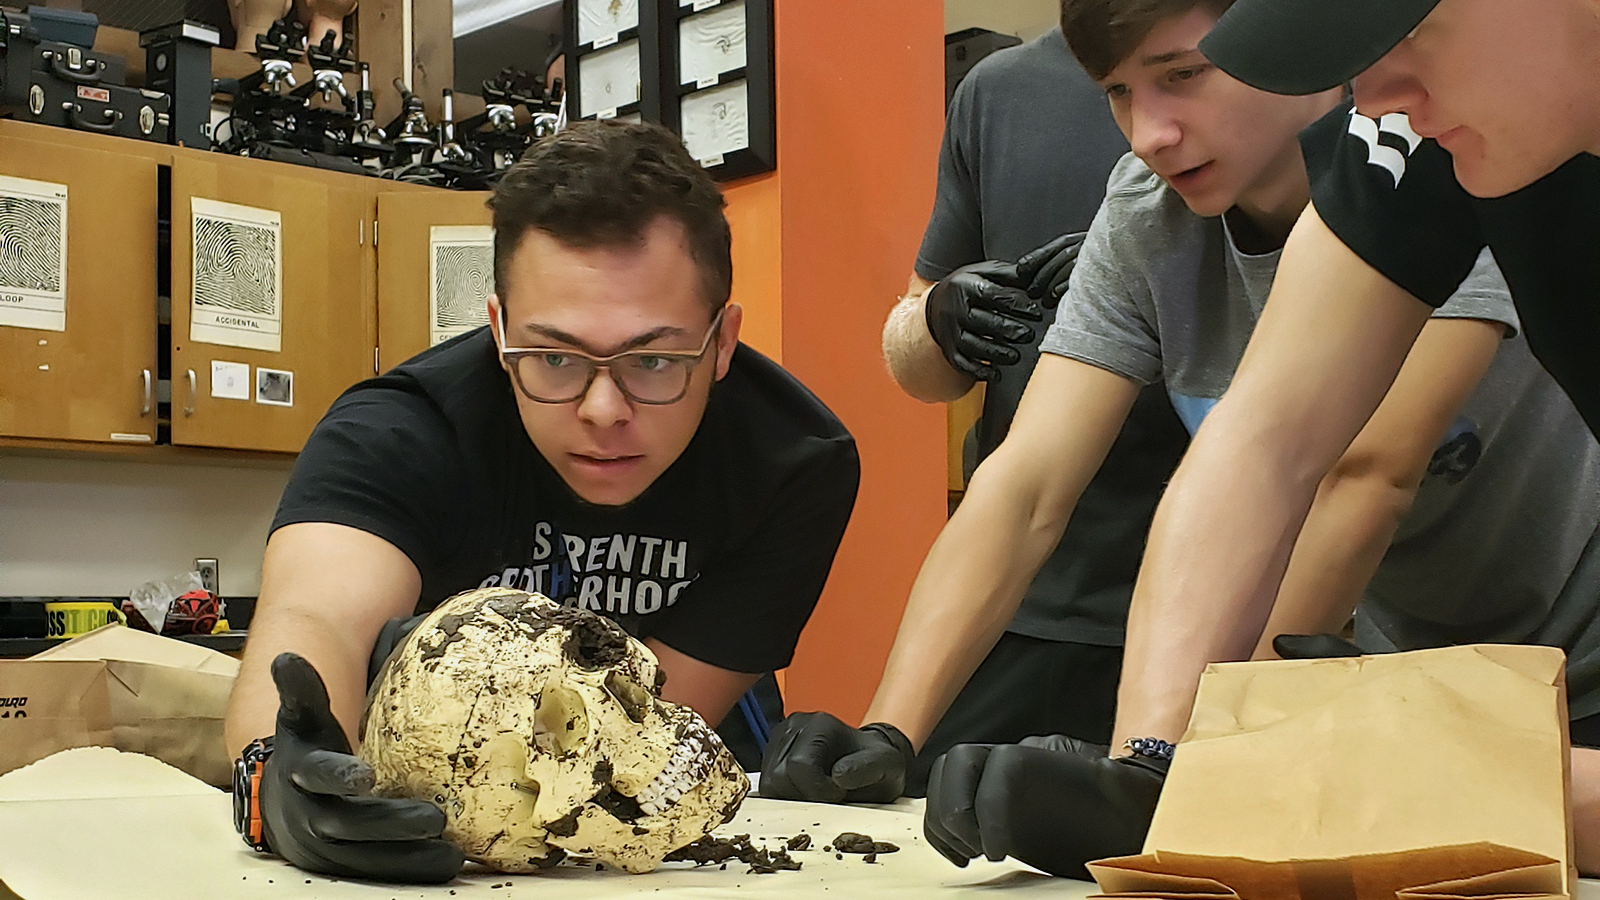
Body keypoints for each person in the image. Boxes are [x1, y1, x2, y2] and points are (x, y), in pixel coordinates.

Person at [912, 0, 1600, 878]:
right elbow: (1261, 437)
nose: (1376, 92)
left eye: (1415, 35)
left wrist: (1420, 778)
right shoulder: (1409, 138)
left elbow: (1367, 469)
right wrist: (1154, 768)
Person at [221, 121, 860, 883]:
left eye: (654, 359)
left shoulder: (790, 465)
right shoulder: (398, 434)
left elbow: (627, 746)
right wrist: (278, 775)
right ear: (497, 331)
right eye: (553, 357)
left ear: (722, 342)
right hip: (425, 831)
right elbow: (313, 622)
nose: (601, 409)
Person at [757, 16, 1191, 803]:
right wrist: (887, 731)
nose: (1154, 132)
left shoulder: (1318, 130)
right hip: (1022, 599)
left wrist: (1149, 758)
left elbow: (1304, 476)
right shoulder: (1012, 102)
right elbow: (1010, 470)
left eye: (1182, 77)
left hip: (1223, 615)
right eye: (1121, 93)